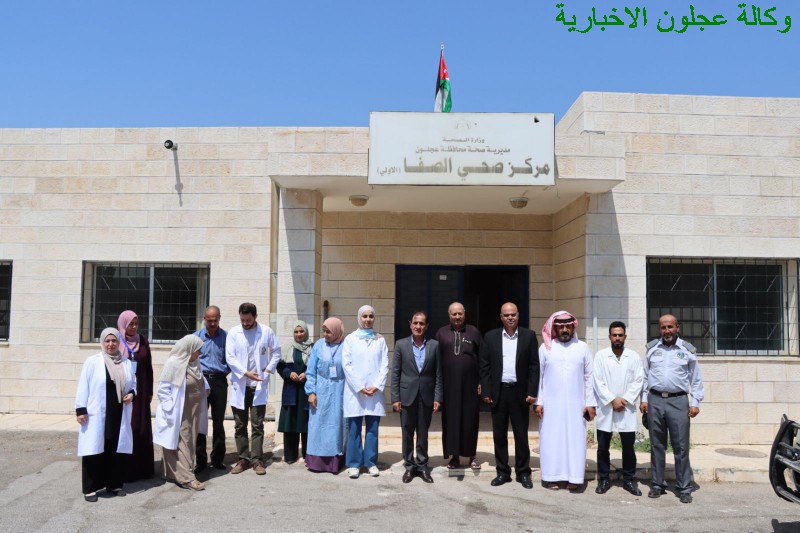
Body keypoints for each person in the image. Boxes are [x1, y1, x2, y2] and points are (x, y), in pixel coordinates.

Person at [640, 314, 704, 504]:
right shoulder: (652, 349)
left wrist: (695, 402)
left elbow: (696, 378)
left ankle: (684, 487)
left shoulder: (687, 350)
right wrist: (644, 399)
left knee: (681, 446)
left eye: (670, 327)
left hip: (678, 401)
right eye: (663, 327)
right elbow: (644, 377)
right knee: (656, 445)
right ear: (659, 329)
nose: (667, 331)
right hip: (655, 400)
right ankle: (657, 484)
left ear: (677, 328)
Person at [479, 302, 540, 489]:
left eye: (513, 314)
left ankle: (523, 472)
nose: (510, 317)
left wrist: (532, 392)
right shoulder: (490, 337)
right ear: (501, 317)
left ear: (518, 315)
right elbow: (484, 365)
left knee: (521, 435)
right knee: (499, 435)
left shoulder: (529, 336)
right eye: (506, 315)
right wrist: (487, 391)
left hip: (520, 393)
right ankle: (502, 472)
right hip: (498, 392)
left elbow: (534, 366)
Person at [535, 311, 597, 491]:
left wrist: (590, 403)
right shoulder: (545, 348)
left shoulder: (582, 348)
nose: (564, 329)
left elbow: (589, 377)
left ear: (573, 327)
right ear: (554, 328)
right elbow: (538, 377)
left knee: (575, 440)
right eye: (560, 326)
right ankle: (551, 477)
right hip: (551, 405)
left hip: (576, 405)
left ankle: (574, 477)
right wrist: (539, 401)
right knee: (551, 439)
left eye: (567, 326)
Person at [75, 328, 136, 502]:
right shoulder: (92, 361)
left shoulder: (126, 362)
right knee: (94, 450)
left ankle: (114, 484)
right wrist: (80, 409)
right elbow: (83, 385)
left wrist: (132, 394)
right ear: (102, 342)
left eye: (114, 340)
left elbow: (133, 383)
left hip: (118, 411)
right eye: (107, 341)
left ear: (118, 342)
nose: (111, 344)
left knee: (115, 448)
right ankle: (90, 488)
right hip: (97, 413)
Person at [226, 302, 281, 475]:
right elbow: (230, 357)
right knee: (240, 425)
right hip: (240, 384)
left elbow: (276, 351)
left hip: (258, 386)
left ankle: (257, 459)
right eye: (242, 320)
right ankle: (243, 458)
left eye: (248, 320)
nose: (245, 323)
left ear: (255, 317)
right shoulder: (234, 333)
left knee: (257, 425)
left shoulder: (266, 332)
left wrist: (268, 370)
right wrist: (245, 373)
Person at [593, 321, 644, 496]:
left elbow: (639, 380)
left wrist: (625, 400)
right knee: (603, 447)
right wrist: (611, 400)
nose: (617, 338)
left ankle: (629, 480)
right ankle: (604, 479)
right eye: (614, 335)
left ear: (625, 337)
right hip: (607, 408)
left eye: (620, 335)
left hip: (626, 408)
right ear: (609, 336)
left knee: (628, 447)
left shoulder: (633, 356)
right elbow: (597, 381)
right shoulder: (601, 356)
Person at [391, 311, 443, 483]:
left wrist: (438, 397)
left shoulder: (434, 346)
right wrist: (395, 398)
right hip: (406, 396)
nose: (418, 326)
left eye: (421, 323)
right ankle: (409, 466)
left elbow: (438, 374)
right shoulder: (401, 345)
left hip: (426, 396)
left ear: (426, 326)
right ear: (410, 324)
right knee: (407, 432)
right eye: (415, 323)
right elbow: (396, 373)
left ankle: (422, 466)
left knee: (422, 433)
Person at [153, 334, 208, 491]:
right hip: (179, 411)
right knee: (183, 442)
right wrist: (170, 410)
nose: (200, 353)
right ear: (189, 349)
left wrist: (206, 388)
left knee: (189, 441)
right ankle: (187, 478)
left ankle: (174, 473)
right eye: (198, 350)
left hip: (194, 410)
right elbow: (163, 389)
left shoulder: (194, 362)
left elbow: (200, 379)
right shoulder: (174, 363)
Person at [342, 305, 389, 479]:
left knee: (372, 429)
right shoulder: (350, 339)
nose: (368, 319)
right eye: (364, 316)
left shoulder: (380, 340)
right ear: (359, 318)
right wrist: (360, 387)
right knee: (354, 428)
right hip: (355, 392)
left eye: (371, 316)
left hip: (374, 392)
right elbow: (347, 365)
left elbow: (385, 364)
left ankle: (370, 462)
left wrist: (377, 385)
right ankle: (354, 463)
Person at [435, 302, 483, 470]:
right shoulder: (441, 333)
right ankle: (454, 457)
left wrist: (481, 381)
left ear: (464, 314)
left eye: (460, 313)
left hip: (470, 386)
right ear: (449, 315)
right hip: (449, 386)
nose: (457, 317)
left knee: (470, 420)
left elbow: (483, 358)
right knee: (451, 421)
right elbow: (436, 361)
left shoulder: (474, 332)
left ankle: (472, 456)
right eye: (454, 314)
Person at [304, 317, 347, 473]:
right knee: (318, 425)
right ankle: (316, 462)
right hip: (321, 390)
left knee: (337, 425)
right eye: (324, 331)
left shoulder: (346, 345)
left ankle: (335, 462)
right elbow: (310, 371)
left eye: (328, 332)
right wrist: (311, 392)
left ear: (336, 331)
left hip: (340, 390)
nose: (325, 334)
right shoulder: (319, 345)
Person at [117, 310, 154, 481]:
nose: (133, 327)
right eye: (130, 323)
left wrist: (150, 391)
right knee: (127, 427)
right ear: (123, 324)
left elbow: (149, 368)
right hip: (125, 391)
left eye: (136, 323)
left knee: (142, 427)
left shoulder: (143, 340)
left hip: (142, 390)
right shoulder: (116, 341)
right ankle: (125, 470)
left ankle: (143, 469)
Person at [194, 305, 228, 472]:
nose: (212, 323)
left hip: (220, 381)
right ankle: (200, 461)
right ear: (204, 319)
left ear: (219, 318)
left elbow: (232, 358)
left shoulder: (227, 337)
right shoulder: (196, 338)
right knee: (200, 422)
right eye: (209, 320)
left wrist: (225, 371)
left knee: (218, 421)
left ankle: (217, 459)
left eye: (215, 320)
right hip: (202, 381)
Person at [277, 321, 313, 464]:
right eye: (296, 332)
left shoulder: (313, 348)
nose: (299, 334)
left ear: (306, 332)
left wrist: (307, 374)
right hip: (291, 390)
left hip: (306, 390)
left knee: (306, 422)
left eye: (301, 331)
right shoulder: (287, 347)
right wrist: (289, 373)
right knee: (290, 422)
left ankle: (308, 455)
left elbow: (317, 366)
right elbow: (280, 366)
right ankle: (290, 455)